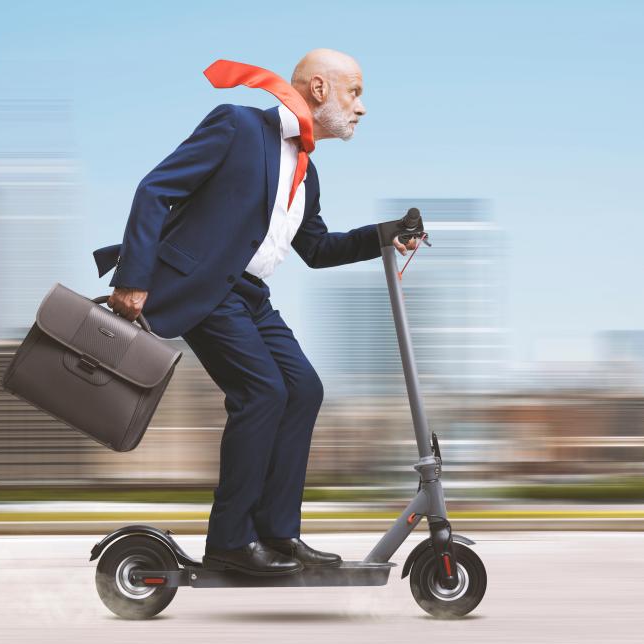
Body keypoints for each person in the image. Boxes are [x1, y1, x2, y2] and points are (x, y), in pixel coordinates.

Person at [92, 49, 418, 576]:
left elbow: (315, 249)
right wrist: (132, 278)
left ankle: (278, 533)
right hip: (202, 289)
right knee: (261, 392)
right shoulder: (239, 125)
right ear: (318, 89)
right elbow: (155, 189)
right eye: (354, 92)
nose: (361, 107)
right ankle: (229, 541)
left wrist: (384, 235)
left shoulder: (306, 174)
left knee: (303, 389)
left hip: (250, 296)